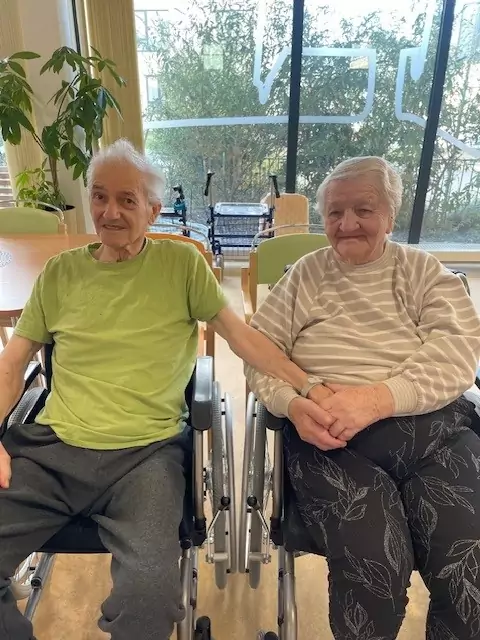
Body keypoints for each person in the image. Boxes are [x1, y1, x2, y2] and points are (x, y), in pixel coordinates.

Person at [0, 139, 312, 640]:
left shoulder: (180, 265)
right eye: (99, 196)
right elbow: (13, 362)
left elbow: (242, 338)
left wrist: (308, 385)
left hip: (146, 458)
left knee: (148, 597)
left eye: (127, 200)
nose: (110, 212)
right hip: (54, 450)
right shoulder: (60, 273)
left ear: (152, 210)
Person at [245, 156, 480, 640]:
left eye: (364, 210)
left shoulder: (424, 272)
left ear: (390, 216)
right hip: (330, 441)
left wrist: (377, 400)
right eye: (335, 212)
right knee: (375, 570)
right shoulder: (305, 275)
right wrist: (293, 403)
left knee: (471, 570)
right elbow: (260, 353)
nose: (347, 223)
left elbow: (458, 353)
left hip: (432, 433)